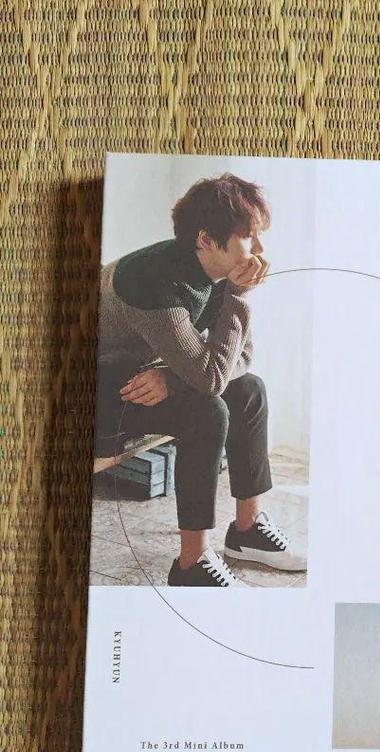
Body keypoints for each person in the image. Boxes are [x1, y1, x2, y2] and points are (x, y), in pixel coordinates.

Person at [93, 173, 307, 587]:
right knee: (206, 412)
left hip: (140, 376)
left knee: (249, 390)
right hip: (96, 396)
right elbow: (210, 378)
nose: (260, 250)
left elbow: (242, 357)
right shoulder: (152, 284)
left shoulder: (216, 270)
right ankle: (191, 565)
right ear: (207, 240)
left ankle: (246, 532)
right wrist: (238, 298)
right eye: (249, 236)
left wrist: (173, 379)